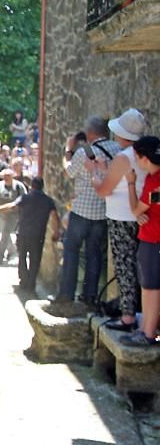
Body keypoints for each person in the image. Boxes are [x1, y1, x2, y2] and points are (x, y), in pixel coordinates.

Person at [92, 109, 149, 332]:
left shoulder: (125, 157)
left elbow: (104, 189)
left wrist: (95, 173)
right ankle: (141, 313)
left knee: (125, 267)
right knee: (141, 266)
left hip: (121, 218)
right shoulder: (143, 155)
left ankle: (127, 317)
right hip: (139, 216)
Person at [55, 116, 119, 307]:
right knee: (94, 254)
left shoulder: (84, 152)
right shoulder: (118, 150)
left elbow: (69, 172)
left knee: (72, 250)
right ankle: (90, 296)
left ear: (90, 133)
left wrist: (68, 150)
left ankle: (67, 294)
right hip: (103, 212)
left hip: (81, 211)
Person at [0, 177, 60, 293]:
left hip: (23, 233)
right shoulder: (48, 201)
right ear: (42, 186)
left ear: (31, 186)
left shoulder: (25, 198)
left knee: (22, 257)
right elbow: (55, 217)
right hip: (38, 235)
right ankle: (31, 283)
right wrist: (56, 232)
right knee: (35, 259)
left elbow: (12, 206)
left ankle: (23, 280)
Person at [122, 136, 160, 346]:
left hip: (153, 239)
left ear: (143, 158)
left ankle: (147, 333)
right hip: (154, 237)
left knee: (150, 287)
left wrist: (130, 183)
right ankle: (147, 329)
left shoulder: (154, 182)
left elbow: (137, 208)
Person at [0, 169, 28, 265]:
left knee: (5, 235)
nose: (6, 178)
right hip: (1, 216)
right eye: (5, 176)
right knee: (5, 234)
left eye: (8, 176)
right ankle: (12, 252)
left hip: (14, 215)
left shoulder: (19, 186)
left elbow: (24, 200)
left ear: (12, 176)